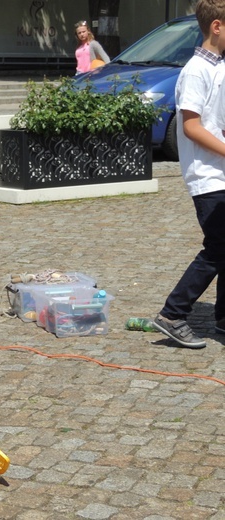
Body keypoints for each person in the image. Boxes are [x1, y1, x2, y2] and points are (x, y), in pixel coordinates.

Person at [153, 0, 225, 349]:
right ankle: (173, 313)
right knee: (218, 247)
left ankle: (223, 317)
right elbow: (192, 126)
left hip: (222, 172)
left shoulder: (220, 66)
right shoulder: (197, 70)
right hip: (208, 176)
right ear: (217, 26)